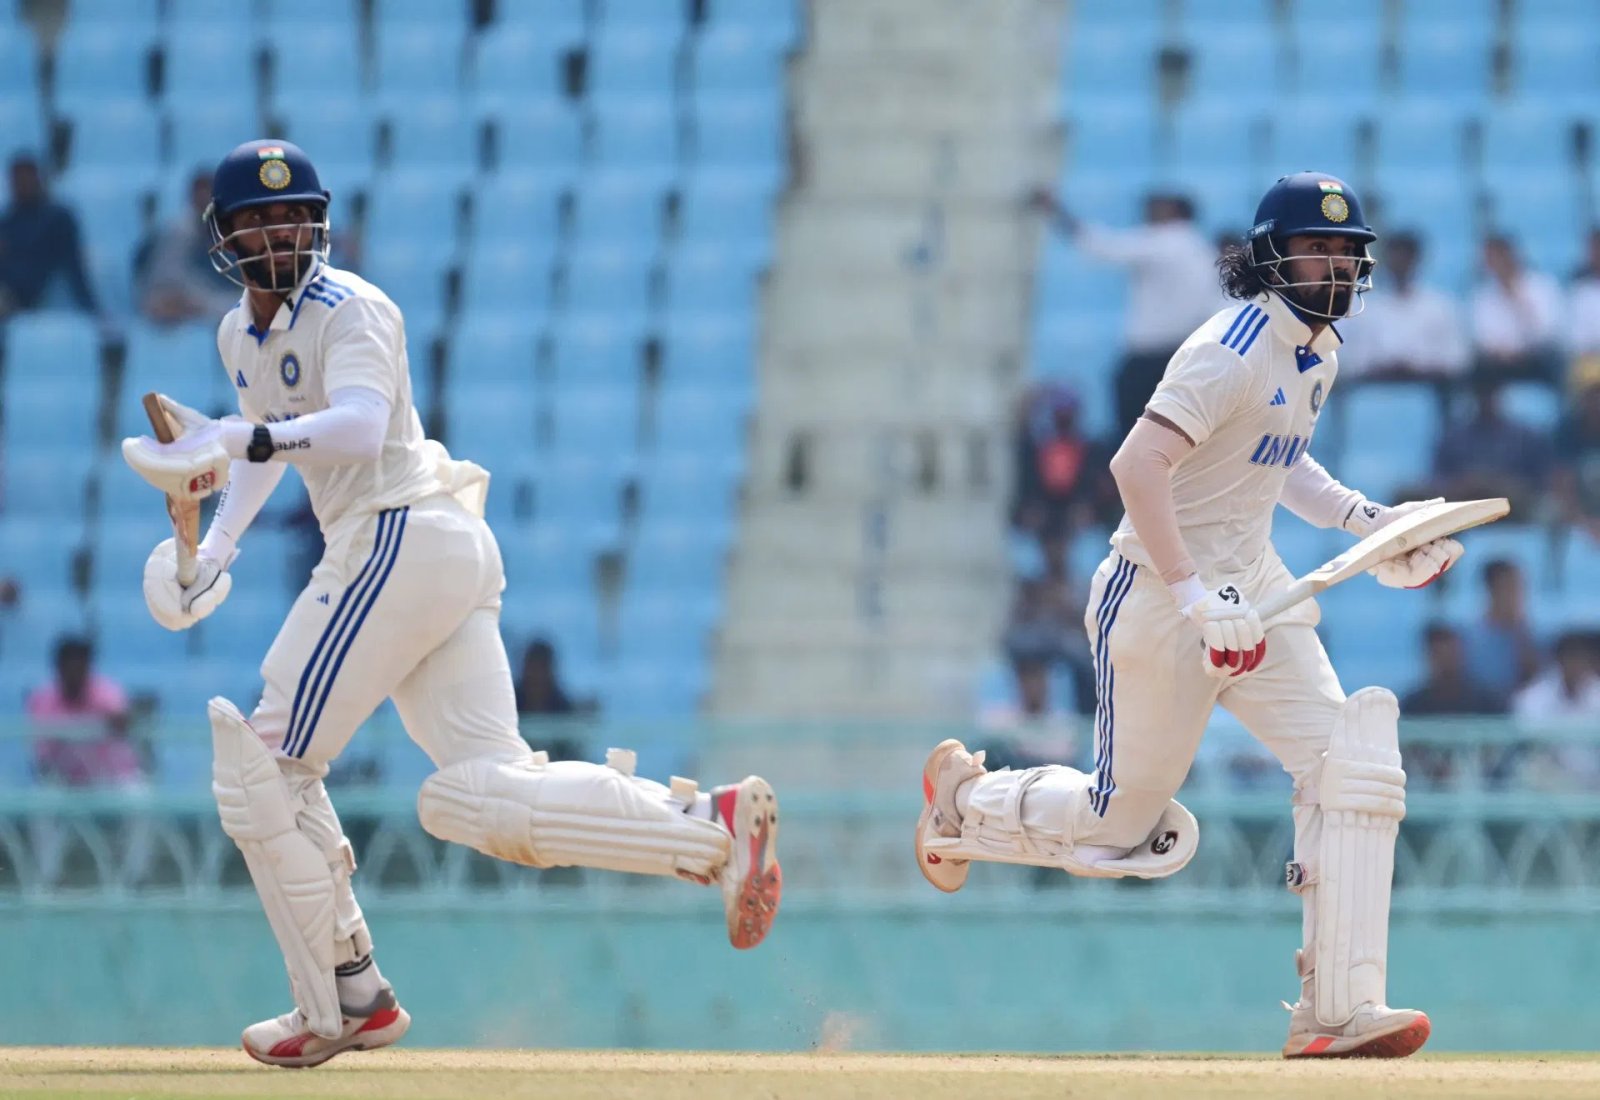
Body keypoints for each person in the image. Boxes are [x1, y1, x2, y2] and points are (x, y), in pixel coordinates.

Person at [118, 140, 781, 1069]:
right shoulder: (239, 336)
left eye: (295, 215)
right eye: (259, 220)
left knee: (264, 764)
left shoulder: (354, 307)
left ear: (319, 222)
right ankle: (711, 828)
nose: (280, 233)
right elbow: (271, 450)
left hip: (397, 533)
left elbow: (355, 429)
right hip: (426, 550)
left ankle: (344, 1000)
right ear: (224, 236)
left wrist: (239, 439)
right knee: (478, 792)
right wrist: (216, 549)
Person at [916, 174, 1462, 1058]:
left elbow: (1276, 459)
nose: (1334, 266)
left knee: (1347, 768)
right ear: (1270, 258)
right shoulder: (1229, 349)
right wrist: (1193, 595)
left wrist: (1369, 521)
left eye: (1345, 252)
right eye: (1316, 250)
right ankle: (963, 799)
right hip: (1158, 598)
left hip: (1257, 589)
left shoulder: (1319, 352)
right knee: (1119, 829)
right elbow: (1136, 467)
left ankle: (1334, 1011)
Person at [1030, 189, 1221, 434]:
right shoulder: (1205, 251)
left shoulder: (1161, 240)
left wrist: (1057, 211)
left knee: (1134, 435)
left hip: (1149, 360)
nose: (1147, 212)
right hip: (1189, 358)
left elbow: (1101, 246)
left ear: (1174, 211)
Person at [1340, 231, 1467, 389]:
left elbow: (1457, 359)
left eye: (1405, 258)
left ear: (1416, 260)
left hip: (1427, 389)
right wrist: (1383, 366)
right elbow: (1351, 361)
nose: (1400, 264)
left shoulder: (1439, 306)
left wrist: (1418, 366)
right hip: (1376, 391)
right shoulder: (1366, 308)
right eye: (1395, 258)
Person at [26, 636, 143, 788]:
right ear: (59, 668)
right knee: (43, 797)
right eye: (69, 668)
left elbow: (124, 718)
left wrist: (117, 721)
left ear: (88, 667)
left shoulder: (107, 693)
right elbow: (42, 755)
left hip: (114, 777)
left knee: (136, 792)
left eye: (79, 668)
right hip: (65, 780)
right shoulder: (43, 700)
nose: (74, 674)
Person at [0, 152, 98, 318]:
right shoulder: (7, 221)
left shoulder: (58, 219)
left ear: (39, 179)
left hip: (26, 295)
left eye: (26, 178)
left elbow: (74, 267)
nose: (21, 184)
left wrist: (92, 310)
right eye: (17, 179)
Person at [138, 167, 241, 325]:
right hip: (183, 296)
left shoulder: (237, 231)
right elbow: (167, 279)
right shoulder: (179, 233)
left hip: (222, 300)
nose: (204, 202)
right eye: (199, 196)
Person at [1469, 234, 1563, 389]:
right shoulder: (1482, 293)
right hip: (1498, 360)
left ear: (1510, 255)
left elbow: (1547, 333)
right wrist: (1502, 352)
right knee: (1476, 370)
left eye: (1495, 257)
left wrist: (1517, 298)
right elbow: (1482, 337)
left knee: (1556, 363)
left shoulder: (1542, 286)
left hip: (1535, 357)